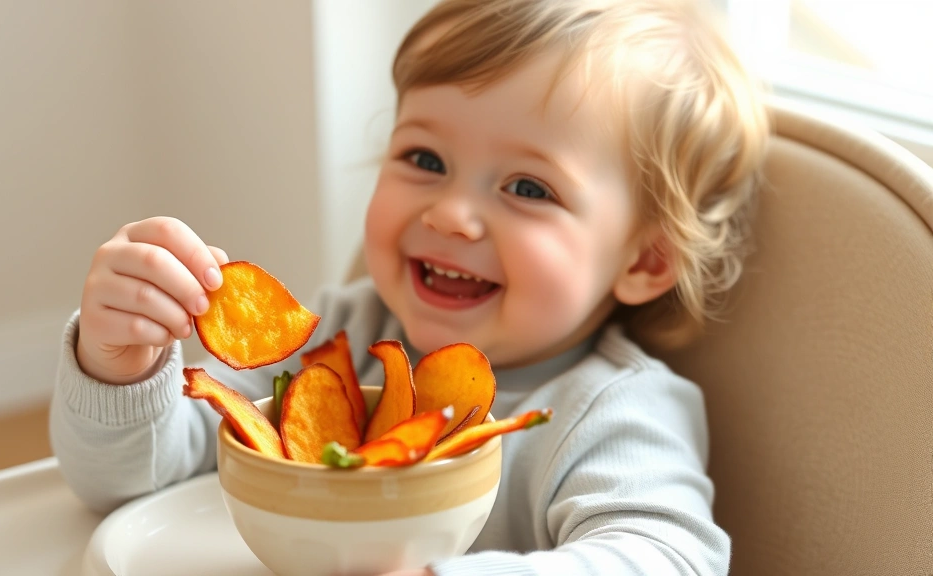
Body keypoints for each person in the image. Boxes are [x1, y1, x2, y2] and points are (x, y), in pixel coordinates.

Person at [51, 0, 769, 573]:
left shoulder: (612, 414)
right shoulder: (342, 338)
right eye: (424, 157)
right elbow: (130, 485)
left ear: (642, 262)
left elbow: (668, 559)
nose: (451, 214)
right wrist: (121, 367)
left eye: (527, 186)